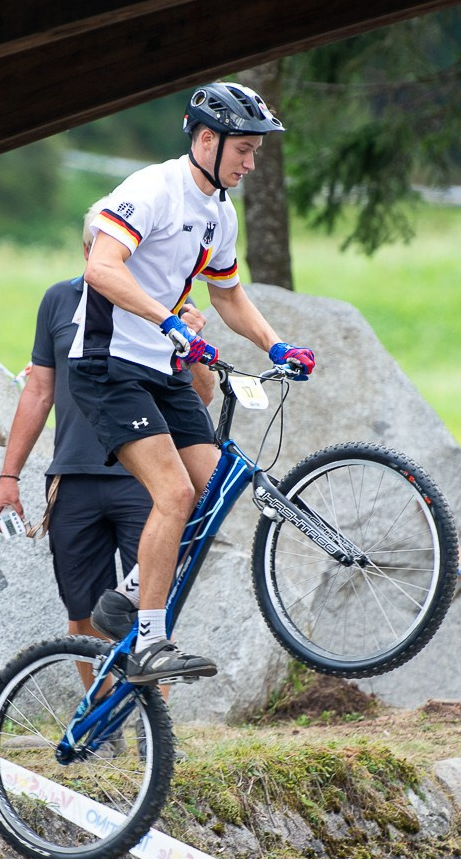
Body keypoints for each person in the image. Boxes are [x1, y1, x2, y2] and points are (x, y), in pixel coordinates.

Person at [66, 81, 317, 684]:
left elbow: (227, 294)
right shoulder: (153, 190)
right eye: (245, 151)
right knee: (173, 494)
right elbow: (99, 267)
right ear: (208, 139)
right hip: (107, 364)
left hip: (161, 365)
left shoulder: (219, 214)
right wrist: (171, 321)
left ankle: (126, 595)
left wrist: (276, 344)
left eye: (256, 152)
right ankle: (151, 641)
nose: (252, 164)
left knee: (209, 496)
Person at [0, 219, 215, 648]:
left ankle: (151, 714)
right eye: (101, 250)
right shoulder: (59, 299)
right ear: (88, 254)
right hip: (73, 477)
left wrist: (194, 345)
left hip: (143, 480)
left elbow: (201, 397)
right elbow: (38, 391)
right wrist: (8, 477)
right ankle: (98, 712)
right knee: (83, 616)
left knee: (150, 607)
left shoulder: (168, 305)